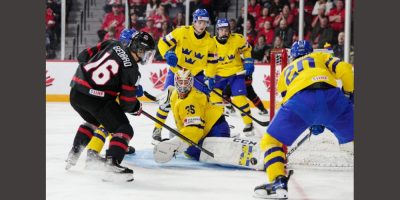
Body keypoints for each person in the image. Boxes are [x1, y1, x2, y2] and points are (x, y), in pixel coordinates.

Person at [253, 40, 354, 199]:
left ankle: (278, 182)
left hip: (301, 102)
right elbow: (346, 69)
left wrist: (312, 119)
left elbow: (289, 104)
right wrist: (348, 96)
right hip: (334, 99)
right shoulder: (319, 56)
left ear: (292, 56)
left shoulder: (286, 71)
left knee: (270, 141)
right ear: (310, 51)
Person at [65, 30, 156, 182]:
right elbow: (127, 104)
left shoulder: (113, 43)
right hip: (96, 99)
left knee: (93, 120)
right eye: (146, 53)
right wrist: (136, 106)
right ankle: (112, 165)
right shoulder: (132, 70)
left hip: (76, 92)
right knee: (124, 129)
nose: (147, 56)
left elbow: (82, 56)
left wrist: (93, 79)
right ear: (139, 49)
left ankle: (74, 153)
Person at [153, 70, 265, 170]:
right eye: (180, 82)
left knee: (195, 151)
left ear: (191, 82)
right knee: (175, 134)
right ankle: (225, 140)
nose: (183, 86)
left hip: (216, 128)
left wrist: (176, 144)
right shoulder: (174, 94)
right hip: (206, 128)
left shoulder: (191, 100)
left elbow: (195, 130)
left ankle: (229, 141)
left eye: (186, 82)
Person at [151, 9, 218, 142]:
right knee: (166, 100)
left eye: (205, 22)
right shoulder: (181, 32)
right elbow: (162, 43)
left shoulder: (210, 41)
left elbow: (212, 62)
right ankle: (157, 129)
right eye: (200, 22)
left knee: (200, 102)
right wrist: (167, 54)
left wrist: (210, 77)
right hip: (176, 71)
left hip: (195, 75)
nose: (202, 25)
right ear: (194, 21)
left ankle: (198, 128)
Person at [209, 18, 255, 136]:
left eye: (226, 30)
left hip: (236, 74)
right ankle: (218, 123)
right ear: (217, 30)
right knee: (214, 99)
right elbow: (206, 60)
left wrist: (249, 61)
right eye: (222, 30)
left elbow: (247, 50)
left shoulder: (237, 39)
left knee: (239, 98)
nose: (224, 32)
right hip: (218, 75)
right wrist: (208, 76)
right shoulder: (210, 43)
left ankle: (248, 123)